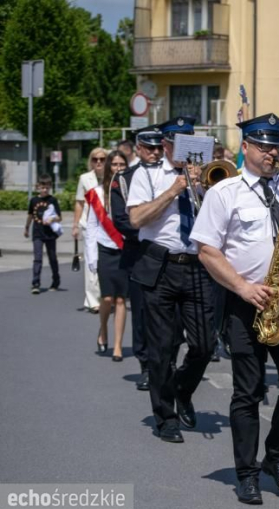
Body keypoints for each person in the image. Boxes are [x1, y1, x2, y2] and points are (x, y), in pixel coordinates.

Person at [191, 113, 279, 504]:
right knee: (247, 392)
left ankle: (277, 458)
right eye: (265, 146)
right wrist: (242, 287)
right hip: (245, 301)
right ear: (246, 147)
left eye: (277, 146)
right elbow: (206, 250)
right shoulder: (225, 192)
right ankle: (247, 472)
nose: (272, 153)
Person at [126, 116, 216, 444]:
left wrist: (204, 186)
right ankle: (165, 417)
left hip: (198, 265)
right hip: (161, 264)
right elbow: (136, 218)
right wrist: (175, 188)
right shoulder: (147, 175)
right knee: (162, 349)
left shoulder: (207, 176)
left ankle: (182, 389)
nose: (185, 148)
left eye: (191, 141)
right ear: (165, 145)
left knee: (205, 343)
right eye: (178, 142)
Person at [111, 125, 164, 390]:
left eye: (159, 147)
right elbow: (121, 219)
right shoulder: (124, 179)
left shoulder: (172, 175)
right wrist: (151, 225)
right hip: (140, 252)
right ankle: (146, 364)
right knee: (142, 312)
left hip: (170, 253)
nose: (156, 152)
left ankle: (167, 363)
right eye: (150, 147)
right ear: (138, 149)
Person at [85, 150, 129, 361]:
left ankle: (118, 345)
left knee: (121, 300)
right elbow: (91, 228)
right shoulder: (96, 193)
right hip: (104, 249)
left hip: (124, 250)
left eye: (122, 165)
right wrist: (91, 257)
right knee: (107, 298)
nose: (118, 169)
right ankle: (103, 329)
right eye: (115, 165)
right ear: (108, 167)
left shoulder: (132, 192)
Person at [73, 148, 108, 313]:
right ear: (91, 161)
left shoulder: (112, 177)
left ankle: (106, 297)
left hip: (108, 227)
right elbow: (79, 202)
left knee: (106, 263)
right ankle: (93, 301)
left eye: (102, 159)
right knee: (90, 263)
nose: (99, 162)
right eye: (95, 159)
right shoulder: (85, 179)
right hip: (89, 226)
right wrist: (75, 225)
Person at [25, 175, 61, 294]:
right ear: (38, 187)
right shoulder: (34, 201)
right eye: (42, 187)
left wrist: (52, 219)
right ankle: (36, 283)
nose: (44, 190)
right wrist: (26, 228)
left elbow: (59, 217)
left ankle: (56, 281)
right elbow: (30, 215)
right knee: (37, 259)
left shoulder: (52, 200)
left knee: (52, 259)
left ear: (50, 187)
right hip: (37, 234)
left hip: (50, 234)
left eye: (46, 187)